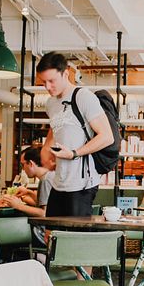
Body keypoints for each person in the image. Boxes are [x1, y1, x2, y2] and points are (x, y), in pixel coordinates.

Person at [35, 52, 114, 217]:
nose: (48, 87)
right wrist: (46, 147)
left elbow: (107, 136)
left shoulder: (83, 97)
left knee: (74, 239)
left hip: (82, 184)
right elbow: (56, 127)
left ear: (65, 74)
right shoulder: (51, 103)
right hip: (59, 182)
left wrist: (74, 153)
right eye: (44, 82)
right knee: (52, 234)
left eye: (51, 81)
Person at [0, 146, 53, 246]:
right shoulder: (49, 176)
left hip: (43, 233)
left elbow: (45, 214)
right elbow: (50, 203)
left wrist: (19, 206)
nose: (23, 169)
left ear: (31, 163)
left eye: (23, 165)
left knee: (8, 227)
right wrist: (28, 193)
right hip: (50, 231)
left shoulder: (45, 181)